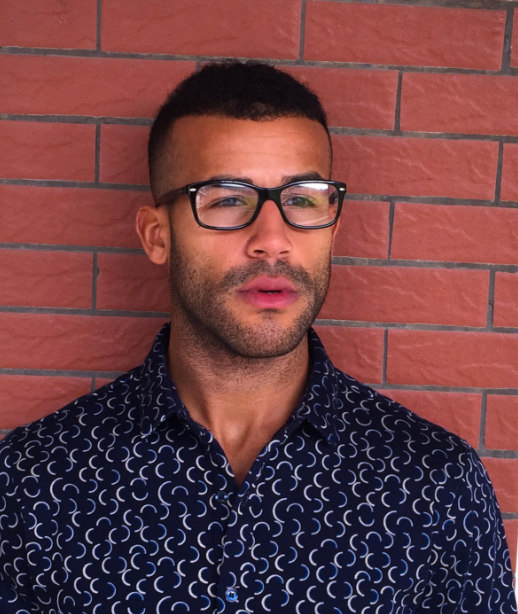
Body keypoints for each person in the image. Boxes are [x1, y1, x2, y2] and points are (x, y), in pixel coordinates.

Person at [0, 61, 515, 614]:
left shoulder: (435, 486)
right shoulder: (32, 483)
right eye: (227, 199)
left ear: (333, 228)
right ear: (157, 236)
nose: (273, 239)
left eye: (303, 199)